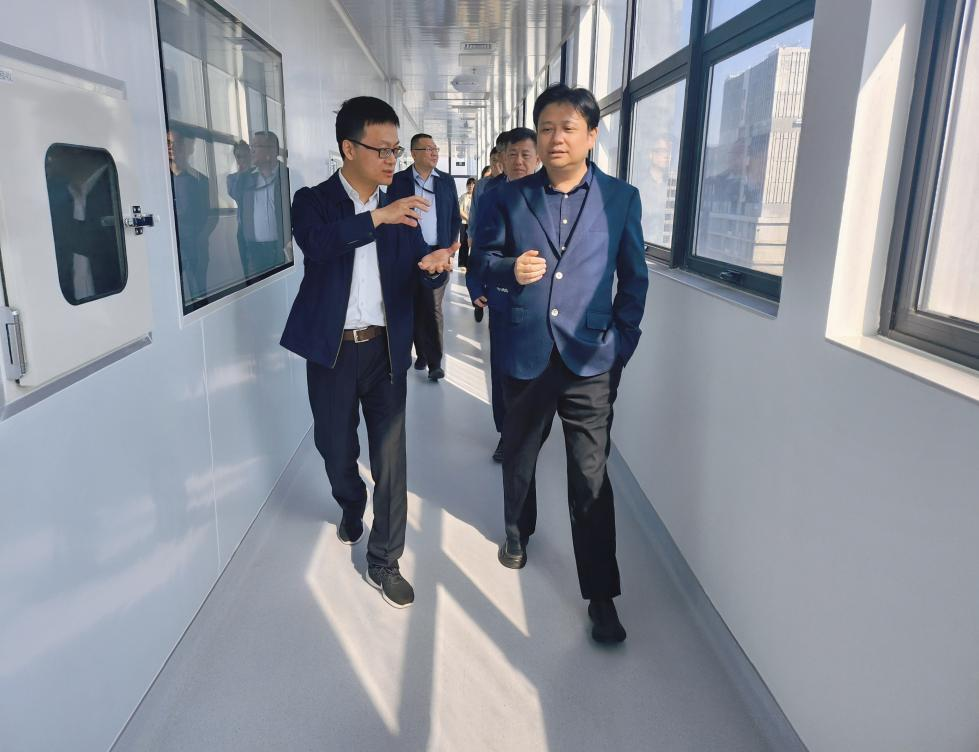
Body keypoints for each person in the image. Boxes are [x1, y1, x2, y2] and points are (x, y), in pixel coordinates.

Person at [473, 84, 648, 643]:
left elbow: (634, 278)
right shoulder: (508, 196)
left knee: (590, 475)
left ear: (591, 135)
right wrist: (508, 269)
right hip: (526, 350)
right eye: (546, 128)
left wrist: (621, 345)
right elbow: (481, 260)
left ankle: (601, 595)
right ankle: (517, 531)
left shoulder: (621, 198)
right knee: (519, 455)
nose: (555, 139)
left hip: (591, 358)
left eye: (568, 128)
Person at [280, 97, 454, 609]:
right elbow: (319, 245)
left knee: (391, 460)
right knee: (335, 449)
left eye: (396, 150)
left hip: (385, 351)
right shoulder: (313, 201)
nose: (392, 160)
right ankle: (351, 503)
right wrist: (378, 217)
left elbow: (417, 269)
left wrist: (435, 268)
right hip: (332, 352)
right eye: (382, 150)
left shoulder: (401, 205)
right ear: (348, 148)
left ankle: (385, 560)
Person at [466, 126, 540, 462]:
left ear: (538, 158)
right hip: (503, 296)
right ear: (502, 158)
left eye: (526, 154)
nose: (519, 161)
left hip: (542, 303)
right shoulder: (489, 192)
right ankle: (506, 433)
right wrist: (475, 285)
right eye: (513, 154)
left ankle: (530, 430)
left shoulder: (552, 195)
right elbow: (478, 244)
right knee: (502, 370)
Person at [388, 133, 461, 382]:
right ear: (414, 153)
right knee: (413, 304)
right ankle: (421, 352)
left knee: (433, 307)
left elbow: (454, 217)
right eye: (428, 148)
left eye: (435, 148)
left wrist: (449, 250)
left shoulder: (446, 181)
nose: (434, 152)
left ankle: (435, 362)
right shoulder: (398, 181)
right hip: (408, 254)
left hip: (437, 254)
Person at [227, 130, 291, 279]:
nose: (252, 151)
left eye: (256, 147)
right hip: (253, 251)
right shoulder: (246, 178)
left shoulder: (287, 176)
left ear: (271, 151)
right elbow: (235, 194)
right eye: (252, 147)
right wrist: (243, 169)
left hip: (281, 248)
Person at [168, 130, 216, 301]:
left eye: (176, 144)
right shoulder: (160, 181)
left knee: (198, 295)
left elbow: (212, 216)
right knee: (171, 294)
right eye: (168, 143)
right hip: (169, 249)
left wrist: (200, 240)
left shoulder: (200, 180)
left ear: (186, 148)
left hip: (195, 249)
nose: (171, 148)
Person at [457, 176, 476, 269]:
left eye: (472, 184)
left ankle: (472, 264)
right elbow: (460, 211)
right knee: (464, 243)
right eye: (469, 184)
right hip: (465, 223)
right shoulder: (463, 197)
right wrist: (469, 219)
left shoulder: (477, 196)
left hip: (475, 224)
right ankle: (462, 264)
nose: (470, 186)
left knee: (474, 244)